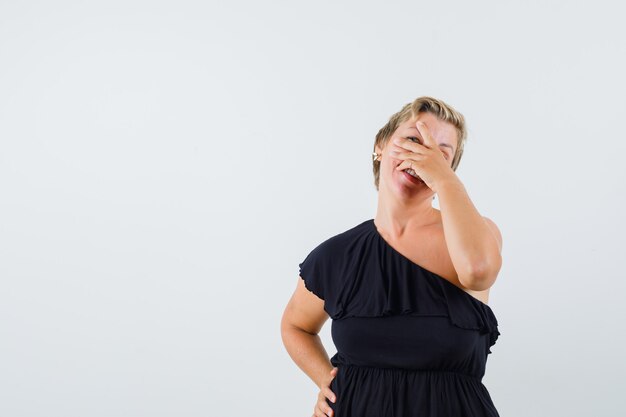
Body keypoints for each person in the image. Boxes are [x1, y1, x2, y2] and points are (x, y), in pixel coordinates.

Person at [281, 96, 503, 417]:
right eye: (413, 140)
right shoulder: (337, 255)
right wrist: (327, 384)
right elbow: (295, 326)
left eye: (440, 155)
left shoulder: (477, 235)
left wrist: (443, 179)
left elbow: (478, 271)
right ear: (380, 146)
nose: (423, 156)